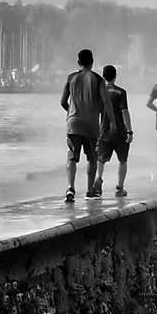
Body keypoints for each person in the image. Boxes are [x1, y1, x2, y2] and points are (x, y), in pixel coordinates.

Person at [60, 49, 115, 202]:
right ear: (92, 62)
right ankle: (89, 190)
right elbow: (106, 103)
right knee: (92, 158)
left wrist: (71, 111)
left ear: (78, 62)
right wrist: (112, 122)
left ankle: (70, 188)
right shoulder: (98, 80)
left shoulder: (71, 78)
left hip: (73, 123)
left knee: (72, 157)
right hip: (91, 125)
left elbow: (63, 102)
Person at [94, 65, 134, 197]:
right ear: (115, 76)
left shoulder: (99, 92)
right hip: (120, 132)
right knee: (123, 160)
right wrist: (129, 131)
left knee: (100, 159)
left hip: (104, 131)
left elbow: (95, 112)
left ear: (103, 76)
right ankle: (119, 188)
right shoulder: (121, 92)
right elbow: (125, 112)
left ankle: (99, 179)